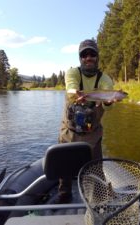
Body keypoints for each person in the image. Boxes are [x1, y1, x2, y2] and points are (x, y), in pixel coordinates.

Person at [55, 39, 115, 203]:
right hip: (69, 131)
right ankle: (64, 194)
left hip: (93, 134)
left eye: (92, 54)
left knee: (96, 170)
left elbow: (108, 106)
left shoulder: (106, 80)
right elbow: (70, 88)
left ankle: (97, 199)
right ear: (80, 58)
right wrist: (77, 94)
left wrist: (108, 101)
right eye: (84, 54)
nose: (88, 58)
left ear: (97, 57)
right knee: (63, 167)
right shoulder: (72, 72)